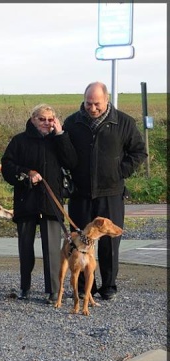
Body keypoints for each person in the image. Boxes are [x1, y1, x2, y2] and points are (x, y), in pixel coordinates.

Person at [63, 81, 146, 301]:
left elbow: (139, 152)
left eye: (96, 104)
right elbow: (63, 153)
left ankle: (108, 286)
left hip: (111, 192)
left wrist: (120, 171)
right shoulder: (72, 123)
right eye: (88, 103)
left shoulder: (124, 122)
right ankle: (82, 286)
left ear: (106, 100)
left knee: (110, 242)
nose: (92, 108)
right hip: (80, 193)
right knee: (80, 240)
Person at [1, 104, 77, 302]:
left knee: (52, 249)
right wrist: (27, 173)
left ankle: (53, 290)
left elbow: (71, 162)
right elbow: (7, 167)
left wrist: (60, 134)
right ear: (33, 119)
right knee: (25, 248)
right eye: (42, 119)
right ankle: (24, 287)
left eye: (50, 119)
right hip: (26, 201)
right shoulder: (19, 140)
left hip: (51, 202)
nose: (46, 123)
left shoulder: (59, 139)